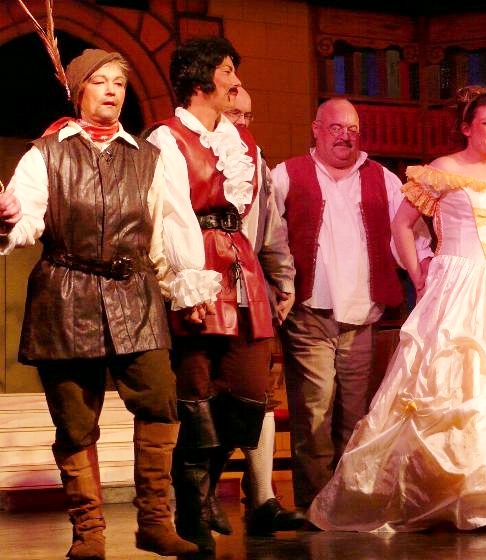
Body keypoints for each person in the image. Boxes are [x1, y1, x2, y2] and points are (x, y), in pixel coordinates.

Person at [307, 86, 486, 531]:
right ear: (466, 127)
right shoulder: (442, 170)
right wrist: (419, 273)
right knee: (453, 382)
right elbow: (401, 226)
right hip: (458, 283)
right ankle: (445, 490)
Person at [0, 49, 198, 558]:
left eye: (119, 83)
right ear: (79, 90)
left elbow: (167, 230)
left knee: (159, 399)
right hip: (65, 295)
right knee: (75, 420)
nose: (112, 90)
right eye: (100, 81)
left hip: (134, 292)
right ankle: (88, 531)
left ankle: (155, 520)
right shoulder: (45, 154)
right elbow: (28, 220)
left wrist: (182, 286)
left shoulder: (148, 158)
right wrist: (7, 220)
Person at [146, 37, 302, 555]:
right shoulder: (167, 139)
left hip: (242, 273)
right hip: (197, 272)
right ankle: (192, 513)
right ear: (200, 81)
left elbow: (264, 221)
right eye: (227, 71)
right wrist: (183, 283)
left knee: (248, 397)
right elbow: (167, 217)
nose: (236, 81)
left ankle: (206, 491)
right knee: (197, 399)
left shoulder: (244, 145)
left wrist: (277, 277)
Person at [271, 97, 432, 512]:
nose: (346, 136)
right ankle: (314, 505)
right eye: (336, 128)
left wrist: (426, 270)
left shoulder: (384, 179)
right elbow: (269, 236)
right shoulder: (287, 174)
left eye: (353, 129)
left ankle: (346, 503)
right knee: (314, 412)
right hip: (310, 313)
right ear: (316, 129)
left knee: (356, 415)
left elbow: (410, 234)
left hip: (362, 316)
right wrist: (279, 284)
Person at [222, 86, 299, 536]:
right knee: (212, 396)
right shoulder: (189, 150)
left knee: (263, 393)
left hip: (253, 290)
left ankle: (263, 497)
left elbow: (271, 228)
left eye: (247, 116)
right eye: (234, 114)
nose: (242, 123)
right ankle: (199, 500)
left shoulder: (256, 159)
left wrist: (283, 281)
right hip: (207, 291)